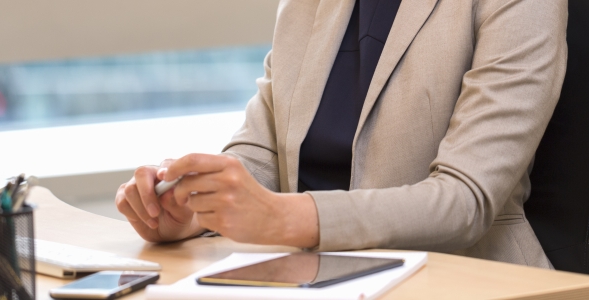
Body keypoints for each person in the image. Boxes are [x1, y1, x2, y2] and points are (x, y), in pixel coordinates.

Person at [115, 0, 568, 268]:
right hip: (311, 277)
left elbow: (464, 201)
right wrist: (196, 209)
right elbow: (264, 147)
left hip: (470, 278)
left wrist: (285, 218)